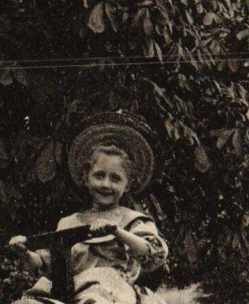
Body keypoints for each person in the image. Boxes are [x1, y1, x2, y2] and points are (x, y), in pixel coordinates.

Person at [11, 113, 168, 289]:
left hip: (111, 292)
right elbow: (46, 265)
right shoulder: (68, 222)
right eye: (99, 176)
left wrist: (116, 231)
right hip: (70, 293)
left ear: (128, 185)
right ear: (85, 178)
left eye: (115, 179)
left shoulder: (132, 220)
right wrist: (24, 253)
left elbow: (152, 255)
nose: (106, 184)